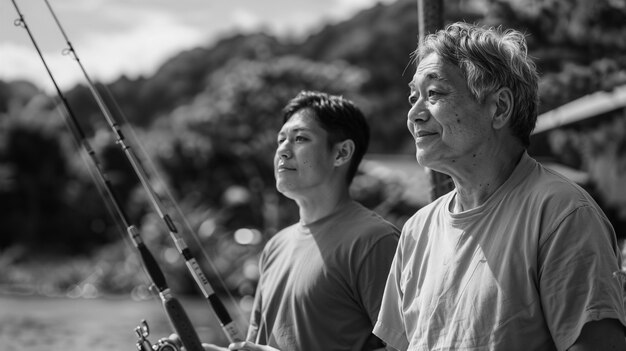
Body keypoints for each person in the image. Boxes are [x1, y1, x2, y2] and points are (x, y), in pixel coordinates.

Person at [373, 22, 626, 351]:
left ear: (500, 107)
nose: (414, 114)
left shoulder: (561, 214)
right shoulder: (417, 230)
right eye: (413, 97)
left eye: (433, 94)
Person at [204, 90, 400, 351]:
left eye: (300, 138)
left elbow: (406, 346)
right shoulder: (276, 246)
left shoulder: (375, 241)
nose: (282, 151)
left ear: (342, 153)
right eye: (281, 139)